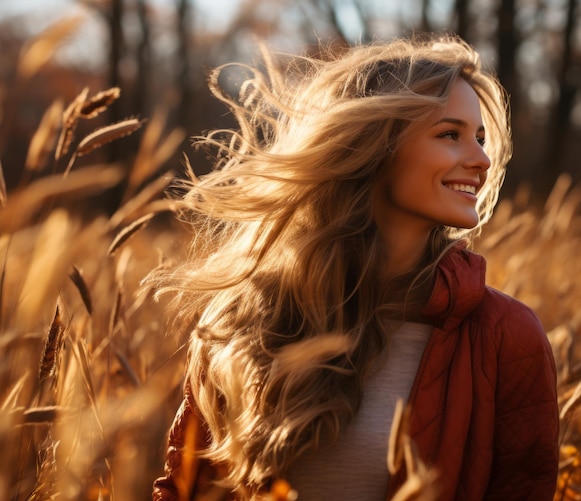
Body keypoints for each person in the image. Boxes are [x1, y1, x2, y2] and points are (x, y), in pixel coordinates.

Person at [151, 34, 559, 501]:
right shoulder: (243, 320)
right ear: (374, 145)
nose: (481, 160)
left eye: (481, 139)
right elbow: (184, 489)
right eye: (451, 134)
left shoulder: (506, 337)